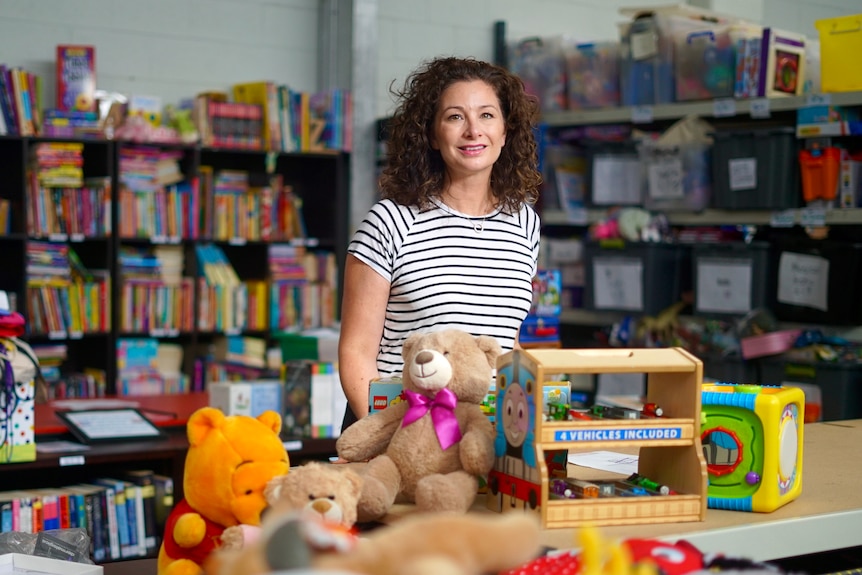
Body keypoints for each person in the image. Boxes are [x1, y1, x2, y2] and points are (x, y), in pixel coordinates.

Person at [339, 56, 542, 430]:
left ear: (506, 131)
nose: (472, 131)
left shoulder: (524, 224)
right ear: (432, 135)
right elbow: (356, 352)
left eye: (486, 115)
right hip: (399, 433)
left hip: (483, 436)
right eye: (454, 117)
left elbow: (506, 344)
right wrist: (388, 440)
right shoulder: (391, 221)